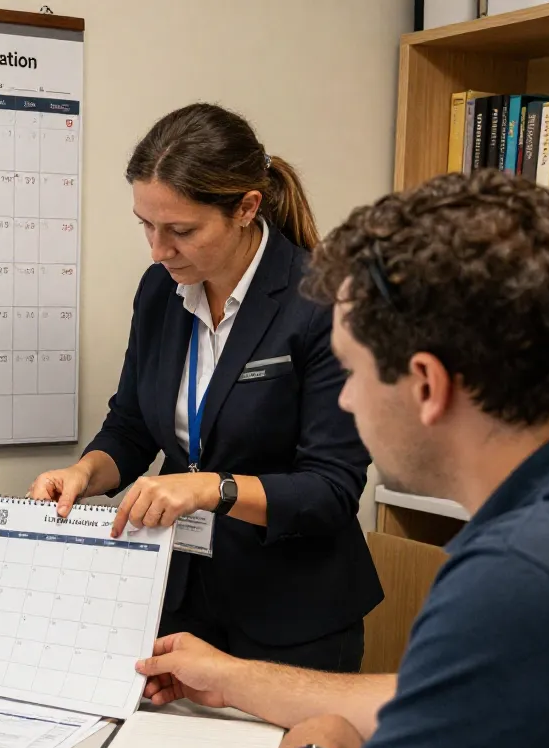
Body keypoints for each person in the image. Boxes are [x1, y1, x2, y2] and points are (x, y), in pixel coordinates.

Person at [135, 169, 549, 748]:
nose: (343, 399)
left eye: (349, 372)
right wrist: (230, 678)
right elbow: (442, 700)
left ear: (427, 386)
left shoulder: (520, 575)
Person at [28, 103, 381, 671]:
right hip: (181, 602)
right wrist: (84, 474)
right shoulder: (160, 290)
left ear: (246, 207)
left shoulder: (322, 299)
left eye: (182, 231)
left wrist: (210, 488)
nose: (158, 250)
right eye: (147, 225)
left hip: (292, 617)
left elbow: (331, 490)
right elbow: (133, 425)